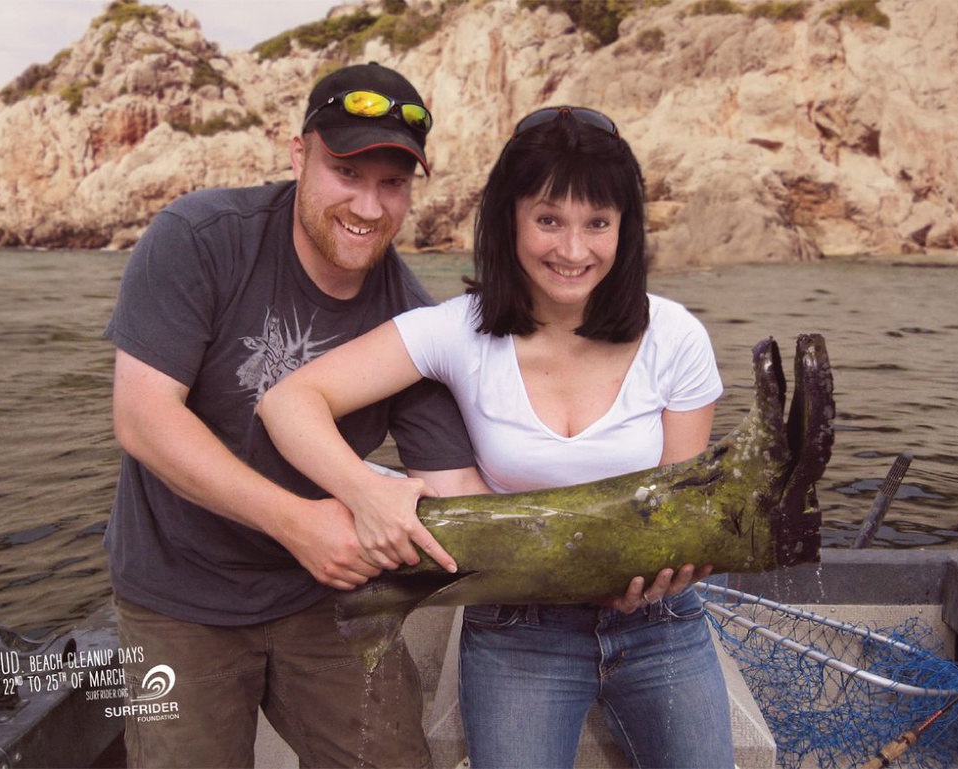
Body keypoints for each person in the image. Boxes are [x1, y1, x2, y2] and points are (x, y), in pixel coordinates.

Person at [259, 106, 735, 768]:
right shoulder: (457, 330)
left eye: (598, 223)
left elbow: (681, 506)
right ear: (508, 218)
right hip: (519, 626)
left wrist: (667, 569)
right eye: (549, 220)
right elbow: (289, 402)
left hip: (659, 625)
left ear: (626, 230)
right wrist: (365, 489)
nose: (573, 250)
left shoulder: (676, 337)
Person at [102, 62, 485, 768]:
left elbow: (457, 490)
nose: (369, 207)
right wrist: (300, 522)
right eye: (346, 171)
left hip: (324, 595)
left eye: (392, 183)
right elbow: (143, 417)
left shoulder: (413, 320)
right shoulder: (200, 236)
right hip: (176, 593)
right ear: (297, 154)